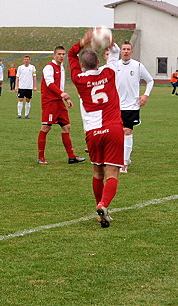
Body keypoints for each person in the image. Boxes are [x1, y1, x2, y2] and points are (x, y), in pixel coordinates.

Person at [68, 30, 124, 228]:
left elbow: (71, 55)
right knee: (112, 174)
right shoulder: (110, 72)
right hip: (114, 128)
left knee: (97, 173)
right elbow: (115, 51)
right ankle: (103, 204)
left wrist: (82, 42)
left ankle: (100, 213)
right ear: (98, 62)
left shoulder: (79, 79)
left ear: (83, 65)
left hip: (93, 132)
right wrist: (109, 40)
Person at [37, 46, 85, 165]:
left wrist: (65, 99)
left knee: (66, 127)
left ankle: (72, 157)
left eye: (63, 54)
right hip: (50, 102)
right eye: (59, 54)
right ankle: (40, 157)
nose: (61, 56)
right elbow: (49, 83)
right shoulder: (49, 67)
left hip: (59, 101)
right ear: (54, 55)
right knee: (46, 128)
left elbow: (60, 86)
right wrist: (62, 94)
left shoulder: (62, 68)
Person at [115, 41, 154, 173]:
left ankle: (124, 163)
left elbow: (150, 80)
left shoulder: (137, 66)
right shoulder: (115, 66)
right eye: (124, 49)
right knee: (117, 134)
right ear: (121, 51)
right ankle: (124, 157)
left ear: (132, 52)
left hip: (131, 106)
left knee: (127, 131)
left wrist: (145, 95)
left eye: (128, 49)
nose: (126, 51)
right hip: (115, 106)